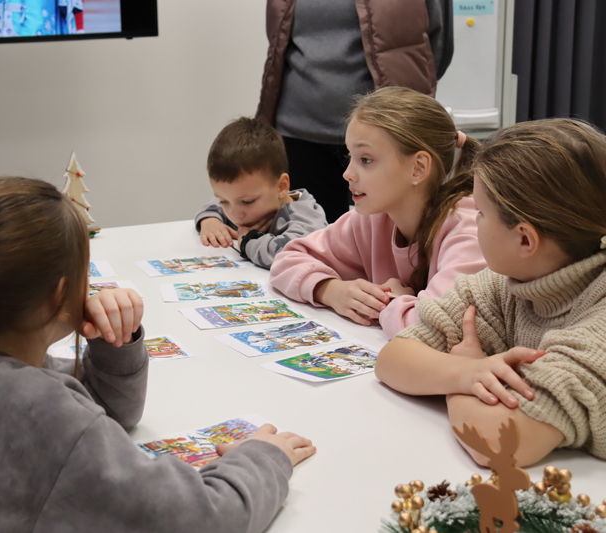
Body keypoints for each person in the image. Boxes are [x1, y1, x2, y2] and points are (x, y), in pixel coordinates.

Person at [0, 177, 316, 532]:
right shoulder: (26, 402)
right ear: (60, 293)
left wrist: (113, 342)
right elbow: (202, 521)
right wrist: (263, 458)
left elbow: (105, 414)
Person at [375, 118, 606, 467]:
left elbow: (496, 444)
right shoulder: (507, 282)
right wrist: (467, 374)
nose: (473, 220)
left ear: (524, 239)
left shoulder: (598, 328)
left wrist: (463, 374)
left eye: (480, 212)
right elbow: (393, 359)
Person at [269, 87, 486, 339]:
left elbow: (438, 327)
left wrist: (391, 301)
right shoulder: (373, 216)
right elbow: (287, 260)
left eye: (366, 160)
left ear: (418, 168)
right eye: (350, 157)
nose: (347, 174)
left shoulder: (469, 230)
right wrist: (330, 290)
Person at [257, 0, 453, 223]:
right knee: (312, 236)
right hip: (298, 132)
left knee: (394, 233)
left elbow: (439, 46)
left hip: (388, 132)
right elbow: (279, 38)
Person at [196, 117, 327, 269]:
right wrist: (210, 220)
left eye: (247, 201)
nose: (235, 214)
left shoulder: (306, 218)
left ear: (281, 187)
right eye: (224, 201)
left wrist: (248, 241)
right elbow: (214, 203)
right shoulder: (243, 202)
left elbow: (289, 256)